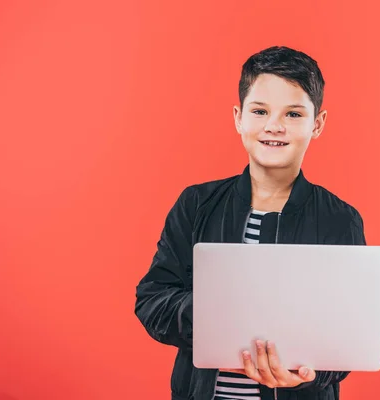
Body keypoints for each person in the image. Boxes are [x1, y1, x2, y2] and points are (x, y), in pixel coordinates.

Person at [135, 46, 366, 400]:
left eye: (293, 114)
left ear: (317, 124)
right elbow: (152, 300)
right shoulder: (196, 204)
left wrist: (306, 376)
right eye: (260, 111)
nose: (274, 126)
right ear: (238, 117)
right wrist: (214, 313)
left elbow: (348, 336)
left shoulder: (340, 219)